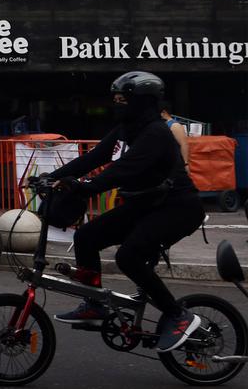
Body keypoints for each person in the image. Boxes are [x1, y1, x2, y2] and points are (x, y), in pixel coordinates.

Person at [48, 72, 205, 353]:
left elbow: (124, 169)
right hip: (143, 205)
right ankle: (95, 304)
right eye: (116, 100)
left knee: (129, 256)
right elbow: (93, 158)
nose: (117, 106)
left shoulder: (156, 133)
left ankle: (178, 315)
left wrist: (86, 187)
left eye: (123, 101)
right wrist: (51, 177)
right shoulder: (125, 130)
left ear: (142, 103)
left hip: (177, 208)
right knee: (86, 237)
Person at [159, 101, 190, 168]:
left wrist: (186, 163)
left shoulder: (175, 125)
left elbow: (184, 144)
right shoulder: (162, 124)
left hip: (174, 164)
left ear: (164, 112)